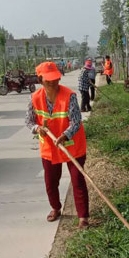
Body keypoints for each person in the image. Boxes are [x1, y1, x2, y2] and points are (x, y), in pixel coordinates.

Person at [26, 61, 90, 228]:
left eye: (55, 79)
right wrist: (37, 128)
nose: (53, 83)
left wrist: (64, 135)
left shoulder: (69, 96)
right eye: (48, 81)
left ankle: (83, 217)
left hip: (72, 146)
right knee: (51, 181)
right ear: (40, 80)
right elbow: (29, 121)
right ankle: (55, 208)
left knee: (77, 181)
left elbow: (76, 121)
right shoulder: (34, 98)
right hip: (49, 147)